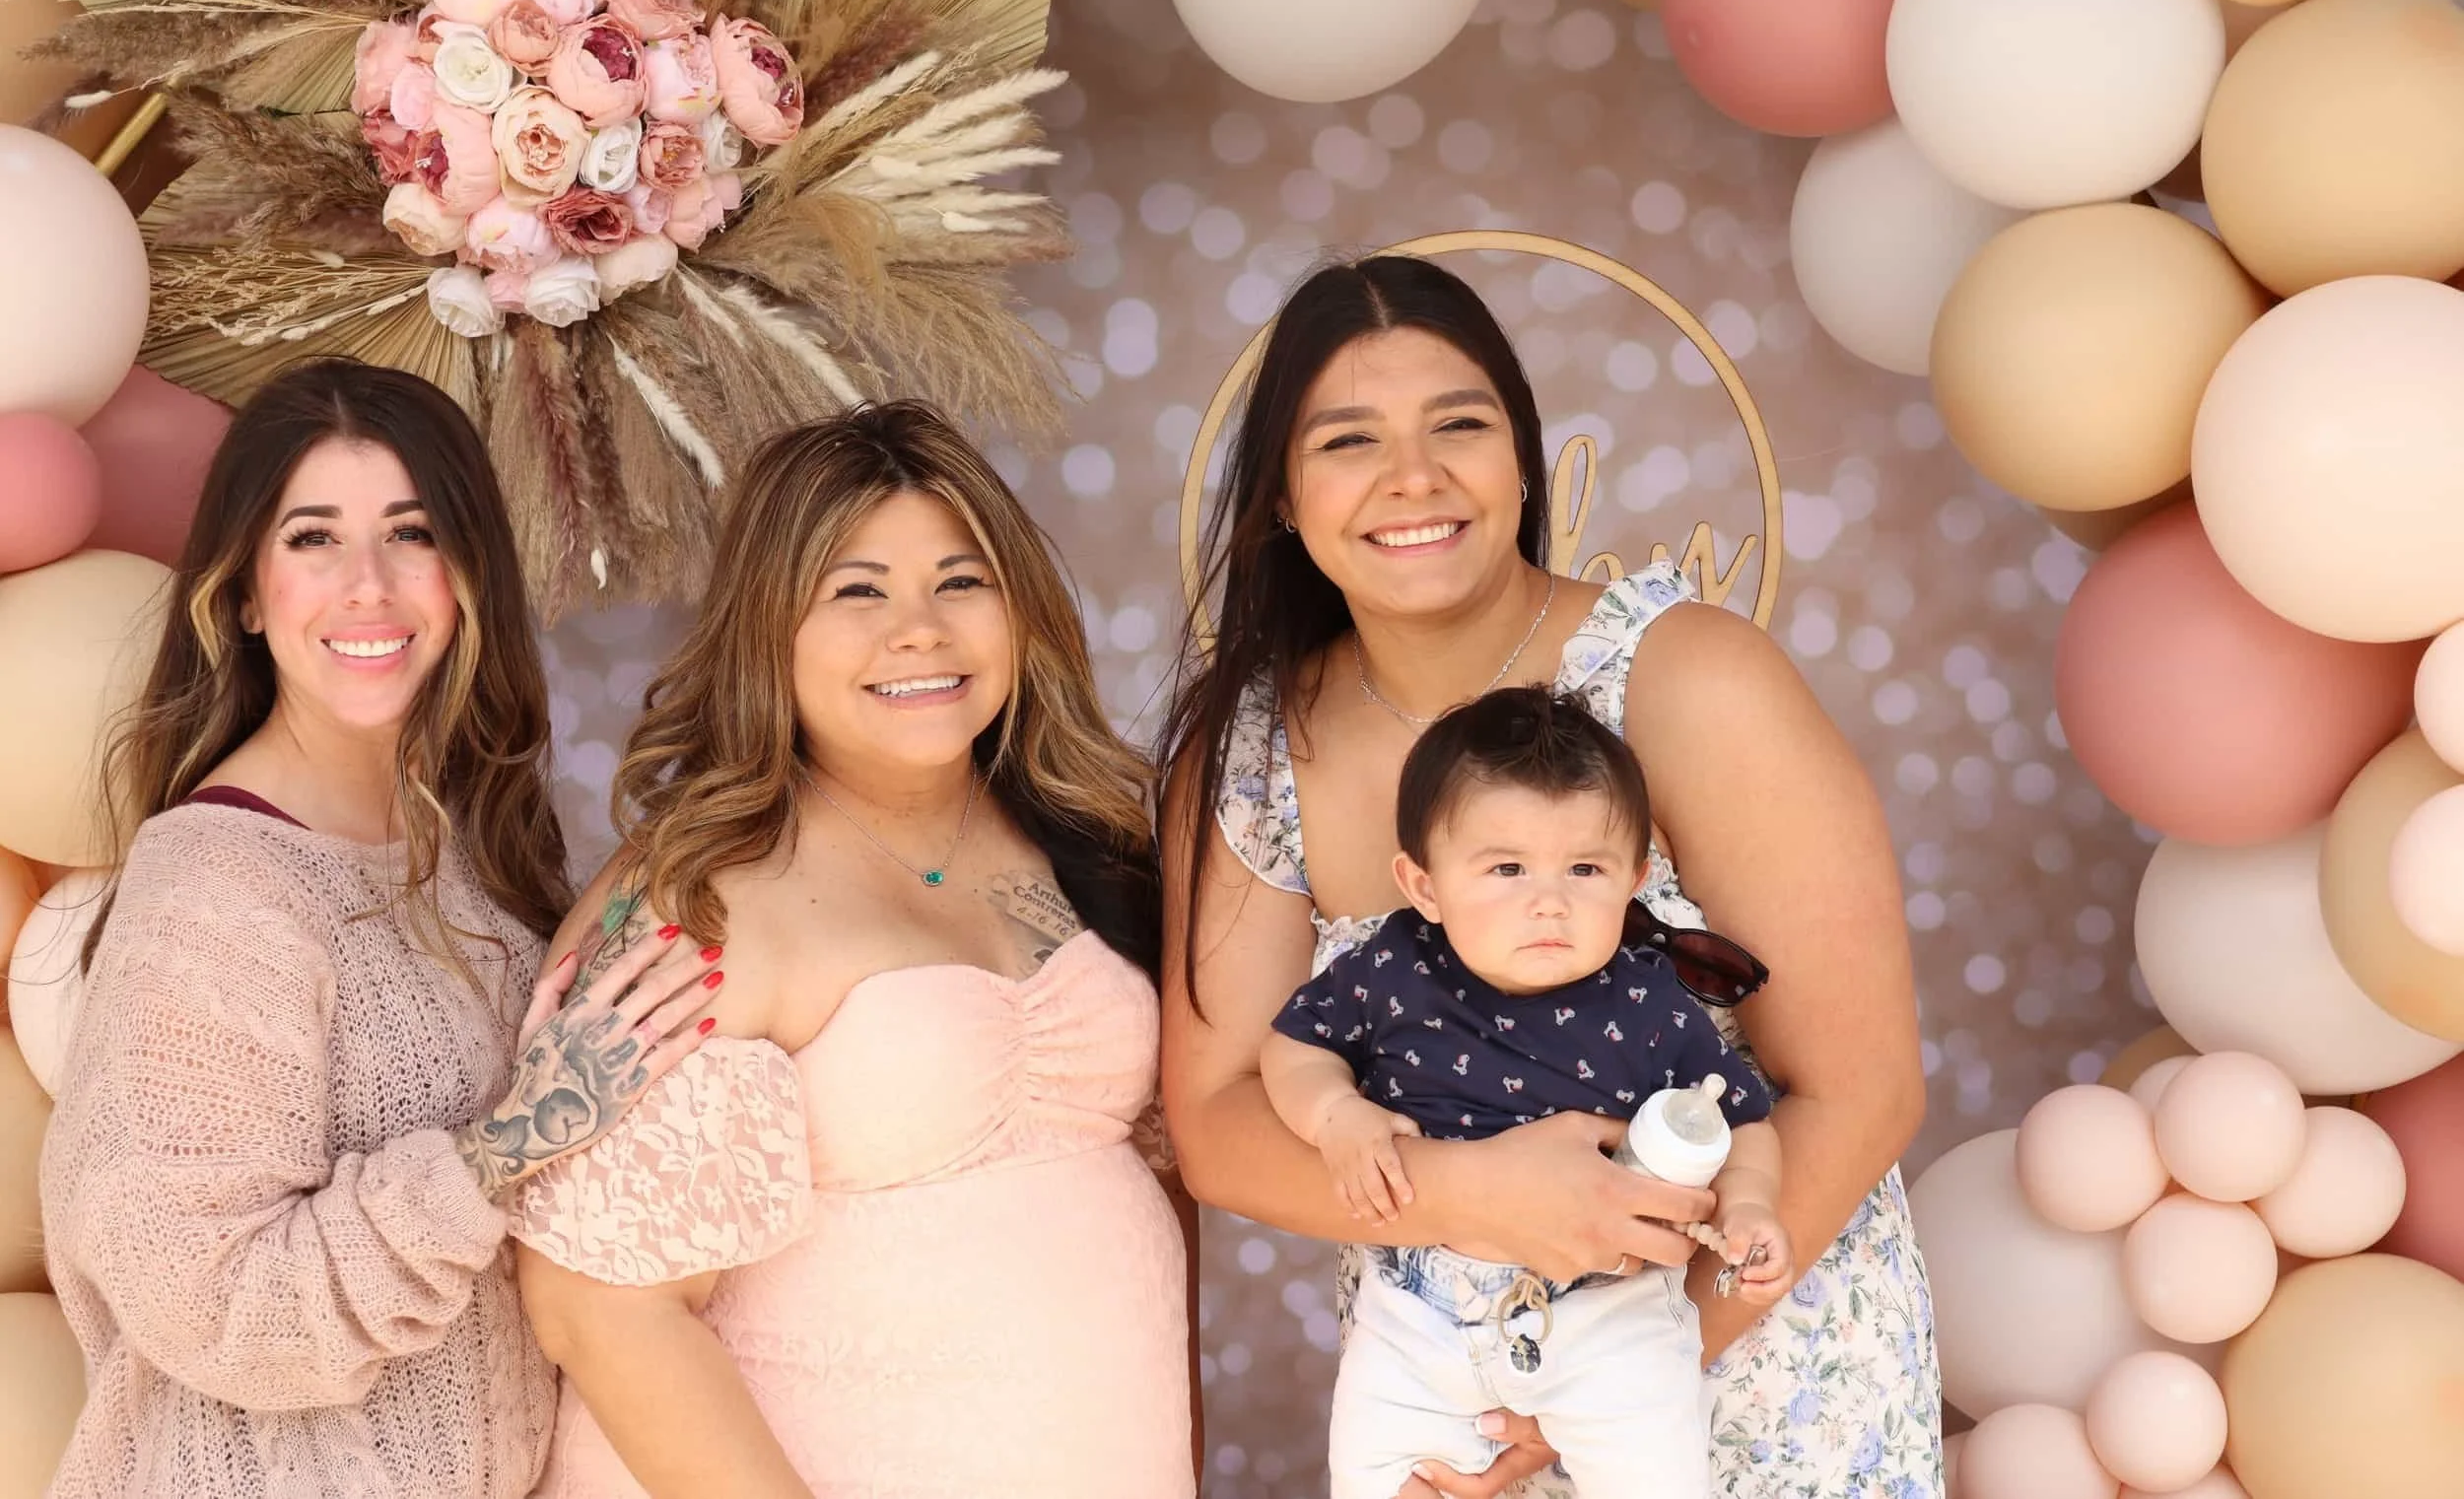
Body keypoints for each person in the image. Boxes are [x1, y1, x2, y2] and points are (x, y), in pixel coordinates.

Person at [1161, 255, 1940, 1499]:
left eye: (1457, 426)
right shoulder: (1256, 747)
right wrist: (1469, 1205)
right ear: (1281, 504)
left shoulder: (1687, 679)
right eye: (1348, 441)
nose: (1412, 478)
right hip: (1452, 1390)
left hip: (1739, 1366)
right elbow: (1218, 1123)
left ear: (1522, 462)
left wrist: (1605, 1387)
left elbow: (1860, 1090)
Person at [39, 359, 720, 1499]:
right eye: (313, 538)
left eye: (411, 533)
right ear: (246, 592)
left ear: (465, 579)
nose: (368, 585)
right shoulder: (217, 889)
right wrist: (510, 1143)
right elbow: (212, 1302)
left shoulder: (472, 850)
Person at [511, 401, 1196, 1499]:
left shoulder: (1085, 834)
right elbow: (594, 1303)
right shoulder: (708, 888)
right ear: (770, 626)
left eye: (960, 582)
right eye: (856, 590)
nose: (917, 629)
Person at [1265, 687, 1793, 1499]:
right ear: (1425, 884)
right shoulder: (1397, 968)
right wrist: (1335, 1115)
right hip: (1416, 1308)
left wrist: (1750, 1202)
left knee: (1660, 1474)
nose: (1549, 899)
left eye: (1585, 868)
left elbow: (1744, 1116)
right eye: (1506, 867)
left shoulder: (1646, 1002)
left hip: (1608, 1312)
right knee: (1379, 1478)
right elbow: (1294, 1045)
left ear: (1635, 879)